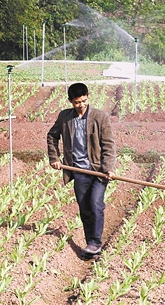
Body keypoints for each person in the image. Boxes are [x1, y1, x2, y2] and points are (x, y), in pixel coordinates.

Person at [47, 82, 116, 258]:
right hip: (78, 170)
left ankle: (95, 243)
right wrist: (54, 158)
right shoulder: (65, 117)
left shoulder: (100, 117)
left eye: (84, 101)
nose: (81, 105)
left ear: (88, 97)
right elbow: (52, 136)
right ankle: (90, 243)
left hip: (98, 171)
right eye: (77, 102)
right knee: (85, 208)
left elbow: (108, 144)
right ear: (71, 101)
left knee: (96, 204)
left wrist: (108, 168)